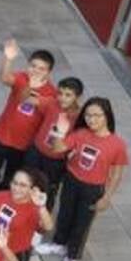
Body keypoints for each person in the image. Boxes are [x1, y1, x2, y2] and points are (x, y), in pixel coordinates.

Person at [35, 97, 128, 261]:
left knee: (82, 223)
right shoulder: (81, 134)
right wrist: (59, 133)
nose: (91, 120)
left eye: (96, 116)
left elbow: (117, 174)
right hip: (72, 180)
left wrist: (106, 198)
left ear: (107, 116)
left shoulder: (117, 144)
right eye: (88, 115)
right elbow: (58, 148)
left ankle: (72, 256)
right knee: (65, 214)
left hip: (93, 188)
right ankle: (59, 243)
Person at [0, 39, 56, 188]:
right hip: (1, 134)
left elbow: (26, 99)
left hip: (22, 144)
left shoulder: (52, 94)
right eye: (33, 66)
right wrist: (8, 58)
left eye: (41, 68)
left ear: (48, 72)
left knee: (11, 178)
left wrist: (30, 86)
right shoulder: (22, 77)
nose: (36, 70)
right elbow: (4, 78)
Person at [25, 76, 84, 211]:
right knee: (28, 181)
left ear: (78, 96)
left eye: (68, 95)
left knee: (49, 190)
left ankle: (42, 219)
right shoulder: (52, 103)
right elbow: (28, 99)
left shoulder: (80, 117)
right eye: (60, 93)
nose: (62, 98)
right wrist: (31, 86)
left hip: (56, 161)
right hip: (36, 151)